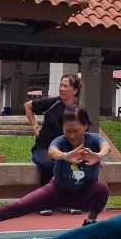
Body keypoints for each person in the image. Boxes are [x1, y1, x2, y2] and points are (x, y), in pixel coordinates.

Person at [0, 107, 110, 239]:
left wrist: (98, 156)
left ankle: (89, 223)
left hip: (83, 195)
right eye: (68, 131)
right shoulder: (60, 141)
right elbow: (53, 152)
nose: (72, 136)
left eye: (77, 131)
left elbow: (105, 147)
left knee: (102, 188)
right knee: (17, 206)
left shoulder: (94, 140)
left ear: (86, 126)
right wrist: (66, 156)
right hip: (57, 192)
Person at [24, 73, 82, 214]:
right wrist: (35, 127)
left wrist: (94, 155)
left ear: (74, 90)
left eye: (65, 86)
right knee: (50, 164)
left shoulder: (78, 111)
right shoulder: (52, 102)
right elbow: (27, 106)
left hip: (64, 151)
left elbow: (82, 135)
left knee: (76, 165)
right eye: (61, 85)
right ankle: (44, 202)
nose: (61, 89)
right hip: (42, 149)